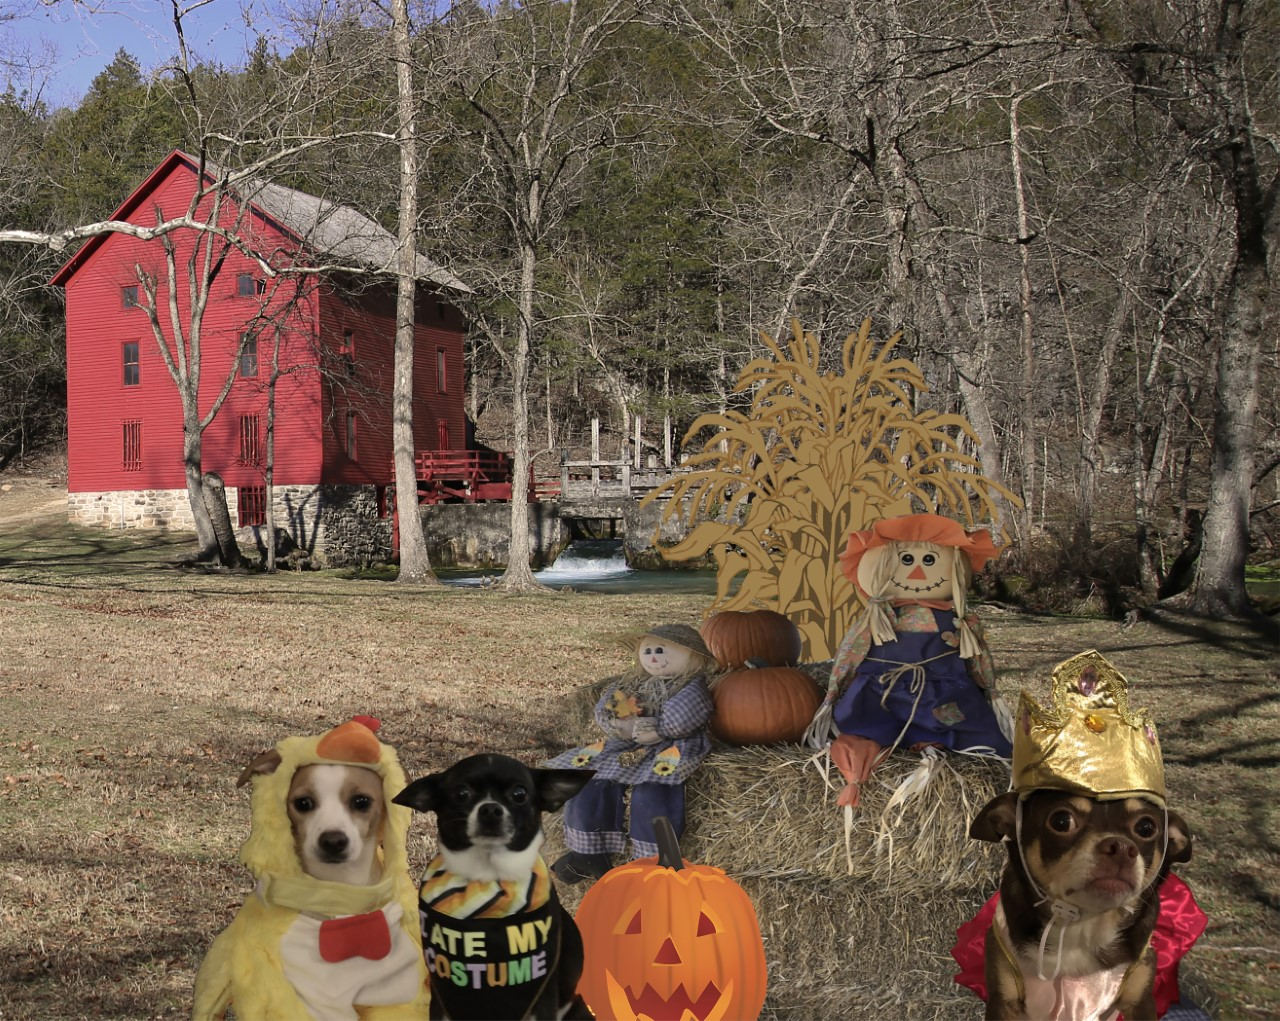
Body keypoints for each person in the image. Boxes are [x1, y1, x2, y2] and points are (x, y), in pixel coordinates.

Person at [805, 513, 1012, 808]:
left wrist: (989, 690)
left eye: (929, 561)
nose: (916, 572)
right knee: (870, 724)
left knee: (965, 726)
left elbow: (978, 658)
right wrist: (834, 692)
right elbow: (851, 653)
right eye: (906, 561)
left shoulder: (960, 621)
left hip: (941, 692)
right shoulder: (877, 618)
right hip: (883, 692)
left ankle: (930, 741)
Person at [547, 623, 716, 883]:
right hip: (630, 745)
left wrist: (658, 729)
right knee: (592, 779)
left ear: (693, 656)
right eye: (647, 651)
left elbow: (683, 717)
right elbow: (607, 708)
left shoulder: (690, 686)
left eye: (661, 650)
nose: (653, 657)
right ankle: (587, 852)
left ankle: (655, 860)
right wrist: (618, 724)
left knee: (653, 790)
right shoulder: (633, 682)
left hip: (672, 745)